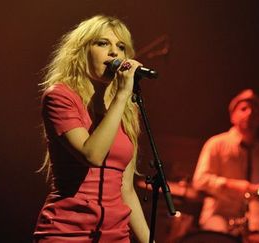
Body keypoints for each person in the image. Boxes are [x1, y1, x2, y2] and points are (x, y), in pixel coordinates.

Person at [33, 15, 151, 243]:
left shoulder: (125, 110)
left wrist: (148, 241)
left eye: (121, 46)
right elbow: (92, 155)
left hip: (115, 235)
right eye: (102, 43)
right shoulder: (60, 96)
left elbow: (125, 189)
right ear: (81, 51)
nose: (114, 52)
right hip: (67, 231)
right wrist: (122, 95)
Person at [192, 89, 259, 236]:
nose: (249, 113)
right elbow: (199, 180)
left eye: (255, 111)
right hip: (219, 215)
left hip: (251, 220)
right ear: (232, 115)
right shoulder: (216, 144)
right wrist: (230, 184)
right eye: (243, 109)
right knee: (221, 235)